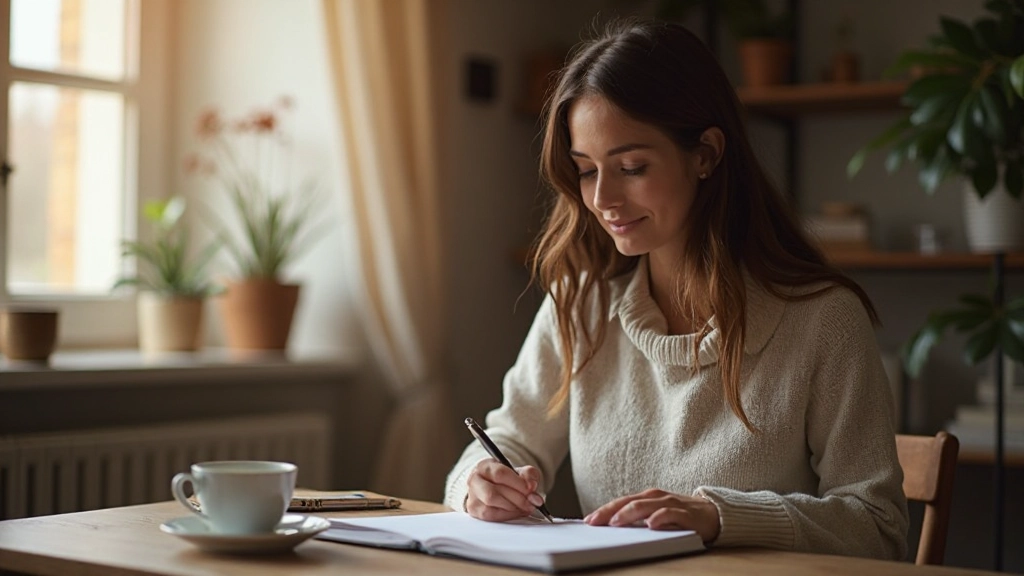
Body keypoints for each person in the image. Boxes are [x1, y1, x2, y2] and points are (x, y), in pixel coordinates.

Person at [443, 19, 908, 560]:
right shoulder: (581, 303)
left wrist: (717, 518)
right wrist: (481, 482)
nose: (603, 199)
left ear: (706, 154)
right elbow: (509, 439)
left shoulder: (823, 319)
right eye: (587, 171)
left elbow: (879, 528)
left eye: (631, 167)